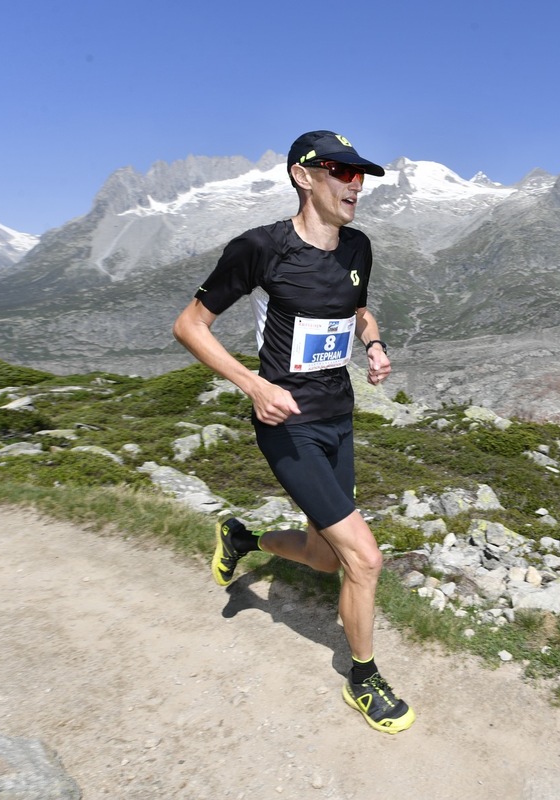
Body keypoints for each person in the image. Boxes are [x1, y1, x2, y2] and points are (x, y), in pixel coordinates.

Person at [172, 130, 414, 734]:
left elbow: (358, 310)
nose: (355, 184)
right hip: (288, 426)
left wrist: (374, 343)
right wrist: (253, 385)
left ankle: (241, 540)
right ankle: (363, 679)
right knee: (364, 558)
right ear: (304, 177)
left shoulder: (358, 248)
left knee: (322, 558)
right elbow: (189, 325)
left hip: (338, 417)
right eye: (342, 172)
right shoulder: (259, 249)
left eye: (361, 175)